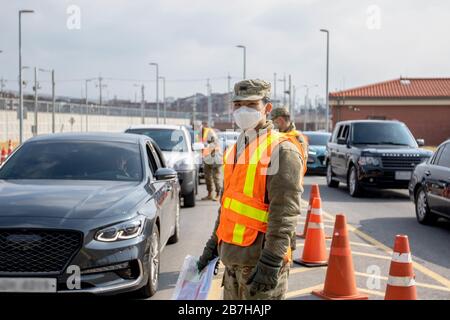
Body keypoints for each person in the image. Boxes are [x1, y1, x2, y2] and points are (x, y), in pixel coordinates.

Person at [197, 79, 307, 300]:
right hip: (233, 261)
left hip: (259, 264)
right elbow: (228, 205)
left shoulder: (281, 149)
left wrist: (271, 262)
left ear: (267, 108)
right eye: (238, 105)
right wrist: (213, 246)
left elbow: (285, 213)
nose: (242, 110)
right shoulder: (236, 148)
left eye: (251, 104)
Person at [202, 134, 223, 201]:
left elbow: (216, 146)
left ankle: (218, 194)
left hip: (215, 159)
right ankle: (210, 194)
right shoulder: (201, 135)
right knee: (207, 177)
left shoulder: (209, 133)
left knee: (216, 177)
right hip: (208, 159)